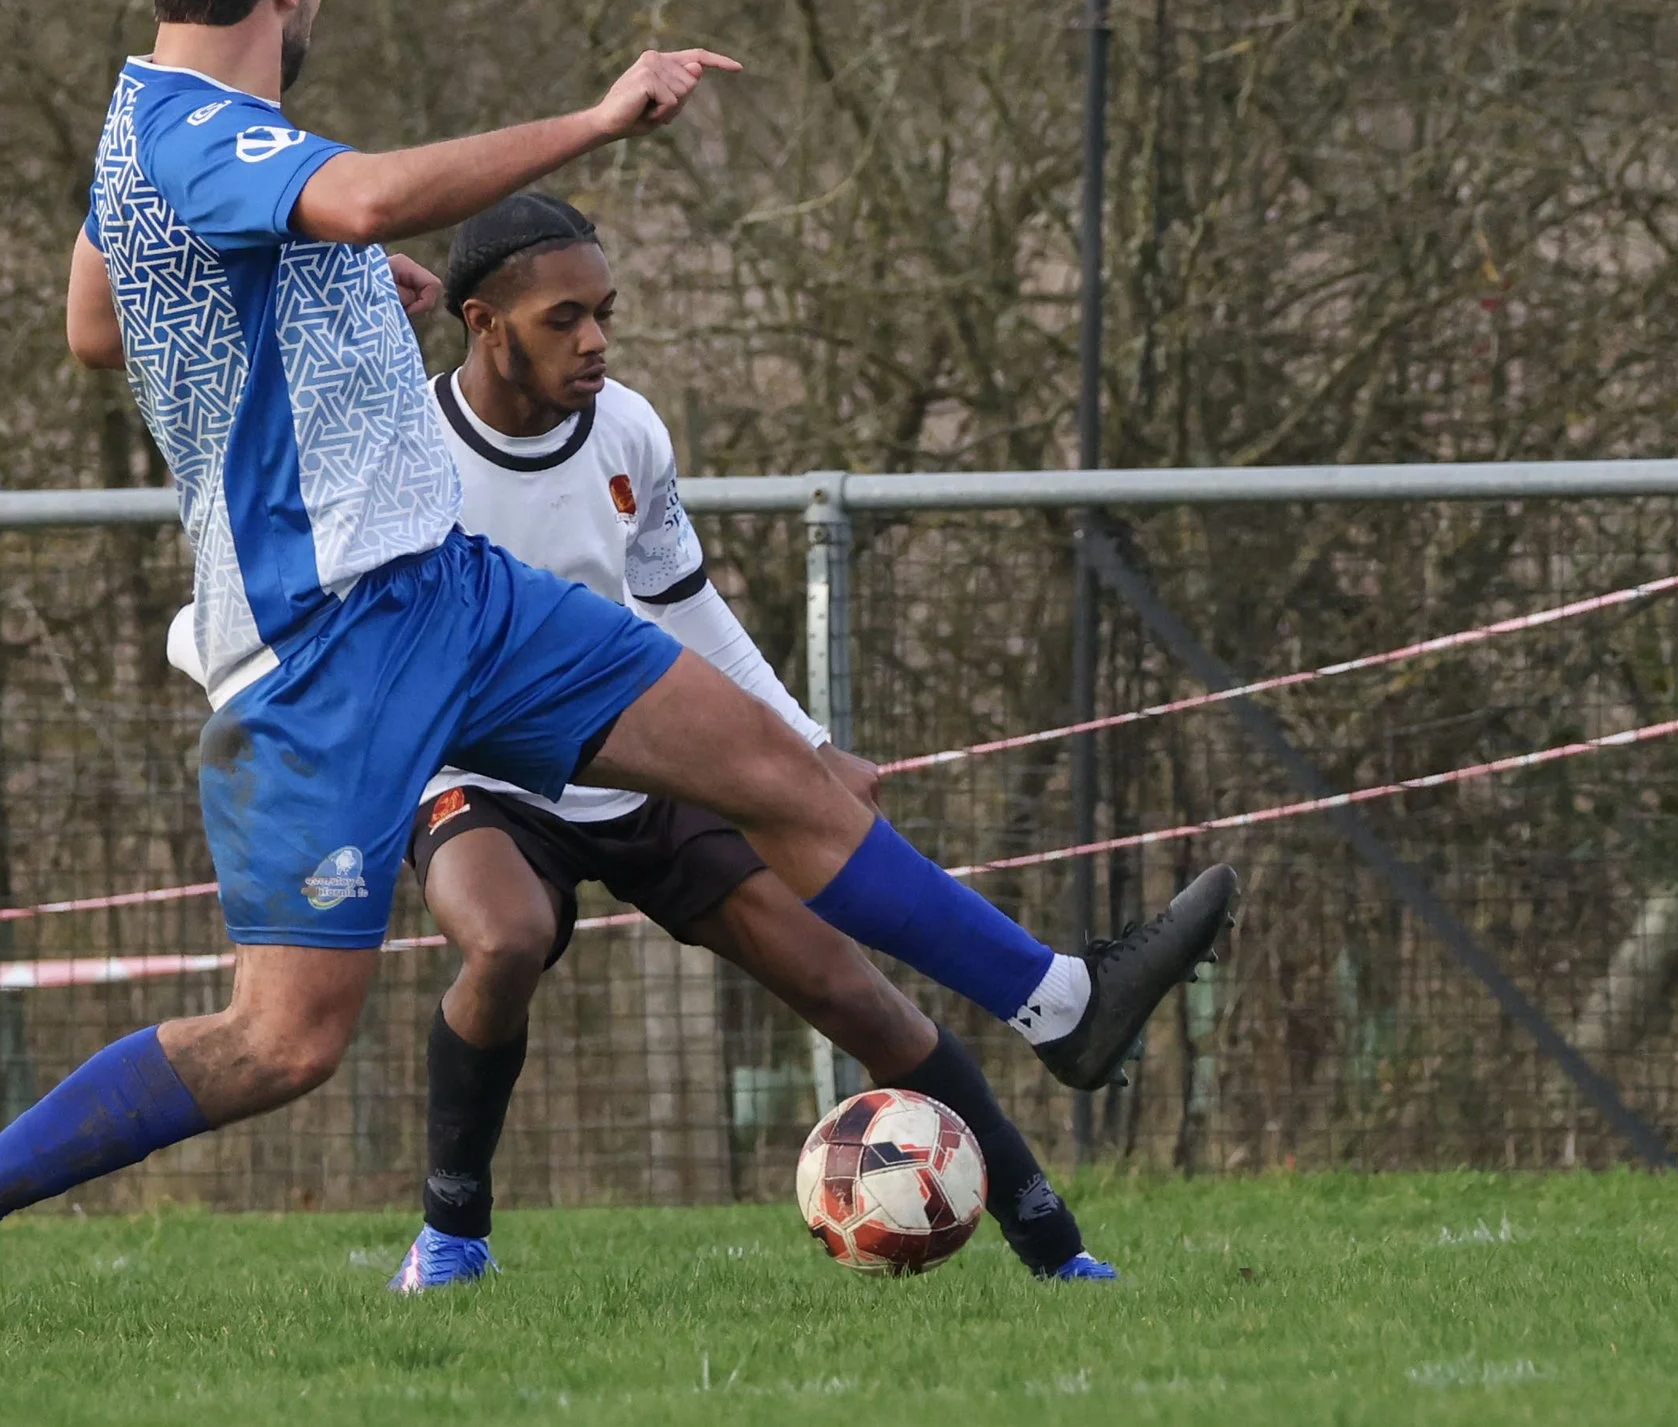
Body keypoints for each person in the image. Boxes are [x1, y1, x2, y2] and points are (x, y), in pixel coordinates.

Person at [0, 0, 1233, 1329]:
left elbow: (100, 324)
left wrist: (331, 286)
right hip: (322, 647)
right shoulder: (195, 131)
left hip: (452, 592)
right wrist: (595, 120)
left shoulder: (155, 127)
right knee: (282, 1040)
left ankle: (1065, 1002)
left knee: (777, 771)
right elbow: (356, 201)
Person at [236, 193, 1118, 1285]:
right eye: (564, 318)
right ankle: (453, 1233)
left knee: (846, 986)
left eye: (604, 312)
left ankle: (1055, 1247)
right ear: (483, 322)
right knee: (504, 938)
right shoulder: (405, 455)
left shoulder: (630, 431)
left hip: (642, 766)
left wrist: (805, 747)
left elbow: (684, 602)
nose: (595, 340)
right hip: (483, 777)